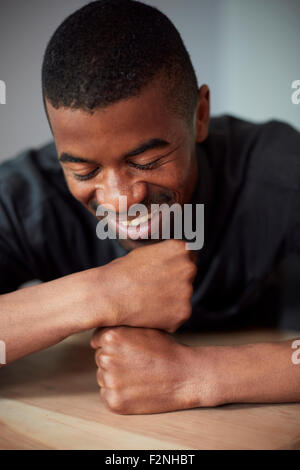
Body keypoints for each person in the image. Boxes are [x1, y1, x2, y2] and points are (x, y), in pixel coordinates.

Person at [0, 0, 299, 414]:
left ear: (199, 115)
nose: (120, 200)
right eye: (85, 171)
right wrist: (97, 293)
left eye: (145, 162)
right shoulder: (25, 199)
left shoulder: (279, 172)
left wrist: (198, 374)